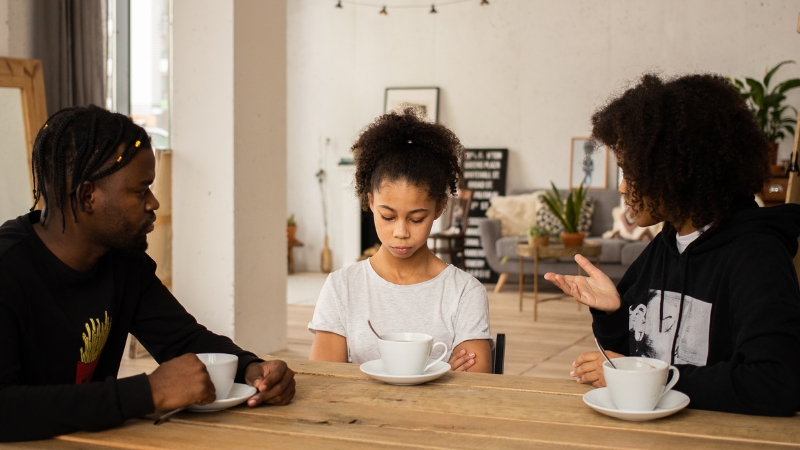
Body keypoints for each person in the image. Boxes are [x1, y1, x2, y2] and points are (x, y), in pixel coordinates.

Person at [0, 106, 296, 442]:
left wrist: (251, 368)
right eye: (141, 191)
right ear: (88, 197)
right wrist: (146, 393)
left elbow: (183, 340)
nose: (154, 202)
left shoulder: (123, 262)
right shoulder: (8, 269)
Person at [545, 73, 800, 416]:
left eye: (631, 171)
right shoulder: (665, 246)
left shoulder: (756, 257)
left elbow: (776, 383)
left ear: (679, 171)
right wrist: (613, 313)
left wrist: (654, 379)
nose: (623, 188)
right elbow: (634, 355)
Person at [308, 108, 493, 372]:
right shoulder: (342, 287)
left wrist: (364, 371)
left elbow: (475, 388)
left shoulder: (464, 292)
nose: (401, 232)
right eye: (387, 216)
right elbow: (325, 380)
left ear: (440, 208)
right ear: (370, 202)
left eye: (417, 219)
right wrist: (439, 373)